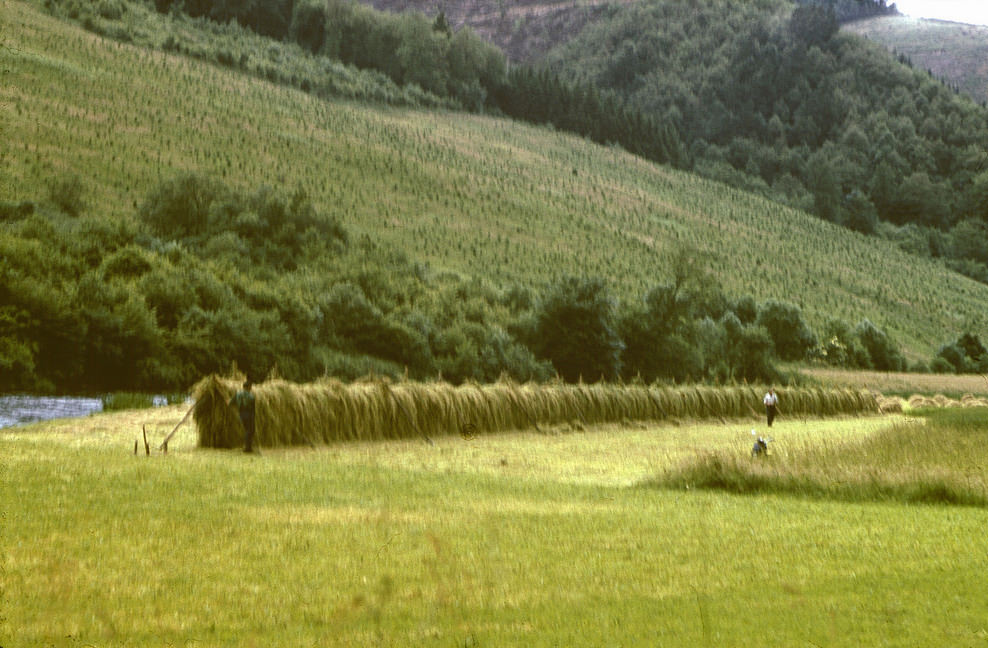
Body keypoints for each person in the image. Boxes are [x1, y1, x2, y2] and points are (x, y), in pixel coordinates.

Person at [230, 379, 257, 453]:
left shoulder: (237, 394)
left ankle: (248, 447)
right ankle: (247, 447)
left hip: (241, 414)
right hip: (249, 414)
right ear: (248, 387)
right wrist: (253, 416)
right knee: (250, 430)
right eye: (250, 387)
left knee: (247, 430)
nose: (251, 388)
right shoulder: (251, 396)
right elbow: (253, 407)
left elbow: (231, 403)